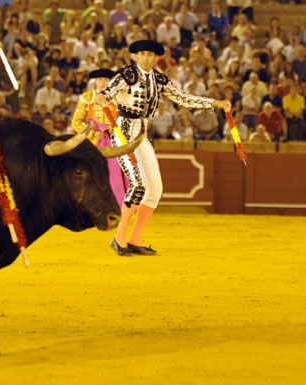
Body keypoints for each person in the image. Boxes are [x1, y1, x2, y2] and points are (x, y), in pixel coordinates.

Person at [95, 40, 231, 256]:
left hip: (142, 136)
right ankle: (119, 240)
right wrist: (101, 96)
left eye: (150, 54)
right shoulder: (126, 75)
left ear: (156, 57)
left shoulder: (159, 79)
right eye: (141, 54)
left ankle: (135, 239)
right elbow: (108, 92)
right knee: (138, 186)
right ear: (136, 56)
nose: (145, 57)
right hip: (123, 134)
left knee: (155, 190)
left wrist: (216, 103)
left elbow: (183, 98)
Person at [72, 68, 128, 207]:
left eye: (106, 80)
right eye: (100, 80)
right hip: (92, 143)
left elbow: (125, 122)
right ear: (95, 81)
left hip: (114, 142)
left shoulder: (118, 98)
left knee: (116, 175)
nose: (103, 82)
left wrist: (112, 130)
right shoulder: (87, 97)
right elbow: (76, 123)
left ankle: (117, 205)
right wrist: (92, 133)